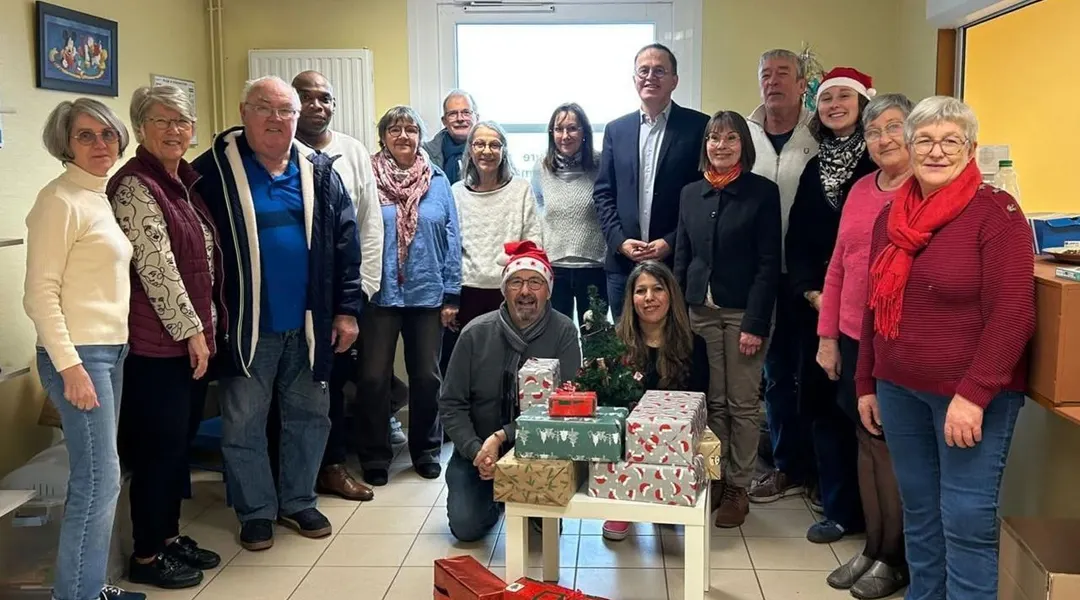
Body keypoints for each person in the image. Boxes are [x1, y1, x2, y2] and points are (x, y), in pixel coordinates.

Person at [856, 96, 1035, 600]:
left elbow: (1013, 313)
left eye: (950, 141)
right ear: (910, 147)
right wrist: (866, 381)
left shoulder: (996, 215)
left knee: (966, 521)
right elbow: (875, 306)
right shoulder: (890, 218)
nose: (936, 152)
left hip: (970, 399)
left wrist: (974, 394)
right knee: (919, 514)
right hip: (899, 389)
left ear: (971, 148)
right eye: (926, 140)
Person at [191, 75, 363, 552]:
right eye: (264, 108)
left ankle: (298, 500)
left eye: (285, 110)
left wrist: (347, 311)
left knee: (311, 416)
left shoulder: (319, 170)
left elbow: (346, 247)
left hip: (310, 325)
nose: (276, 118)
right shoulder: (211, 172)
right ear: (244, 113)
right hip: (247, 327)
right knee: (244, 422)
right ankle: (256, 512)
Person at [24, 98, 144, 600]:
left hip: (109, 351)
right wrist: (71, 366)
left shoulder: (95, 196)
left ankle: (89, 586)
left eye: (107, 134)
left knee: (98, 481)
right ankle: (76, 594)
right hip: (81, 356)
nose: (100, 144)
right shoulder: (59, 201)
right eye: (85, 136)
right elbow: (39, 294)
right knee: (98, 483)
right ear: (64, 143)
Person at [108, 85, 222, 589]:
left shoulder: (180, 182)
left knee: (177, 446)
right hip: (158, 347)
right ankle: (147, 555)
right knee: (158, 449)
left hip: (188, 342)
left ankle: (171, 536)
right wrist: (193, 332)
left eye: (182, 121)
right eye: (162, 121)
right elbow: (157, 269)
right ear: (139, 128)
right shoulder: (135, 186)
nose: (175, 130)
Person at [817, 93, 914, 599]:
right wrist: (828, 336)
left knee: (890, 446)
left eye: (894, 128)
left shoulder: (923, 192)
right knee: (863, 438)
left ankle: (895, 558)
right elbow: (839, 264)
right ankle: (873, 546)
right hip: (854, 336)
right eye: (874, 132)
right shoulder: (859, 190)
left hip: (896, 341)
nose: (883, 139)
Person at [674, 110, 781, 528]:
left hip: (742, 315)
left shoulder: (761, 193)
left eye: (730, 139)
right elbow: (683, 255)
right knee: (711, 401)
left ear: (743, 146)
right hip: (699, 311)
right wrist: (681, 311)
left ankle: (738, 485)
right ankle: (715, 477)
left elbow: (768, 264)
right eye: (714, 139)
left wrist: (756, 323)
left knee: (741, 403)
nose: (721, 146)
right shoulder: (690, 194)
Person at [785, 67, 878, 544]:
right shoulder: (814, 166)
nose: (835, 104)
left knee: (863, 413)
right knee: (823, 409)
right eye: (827, 98)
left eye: (845, 96)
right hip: (817, 309)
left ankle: (877, 519)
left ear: (865, 104)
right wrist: (812, 290)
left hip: (870, 315)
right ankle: (839, 508)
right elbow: (797, 239)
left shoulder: (880, 167)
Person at [439, 241, 580, 542]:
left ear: (549, 290)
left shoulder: (564, 332)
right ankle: (498, 499)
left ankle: (520, 497)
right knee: (466, 528)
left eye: (535, 283)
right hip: (478, 450)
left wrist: (503, 435)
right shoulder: (475, 333)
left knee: (544, 539)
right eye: (516, 282)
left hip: (542, 452)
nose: (525, 291)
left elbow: (566, 406)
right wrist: (476, 450)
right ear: (504, 290)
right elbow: (451, 404)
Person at [291, 69, 385, 501]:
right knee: (287, 385)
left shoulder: (353, 151)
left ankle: (332, 466)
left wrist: (363, 288)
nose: (317, 105)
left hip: (341, 294)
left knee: (335, 382)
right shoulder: (275, 150)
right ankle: (292, 473)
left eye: (325, 98)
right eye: (306, 97)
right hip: (289, 294)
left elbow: (368, 223)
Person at [356, 105, 461, 486]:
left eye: (411, 129)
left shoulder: (437, 180)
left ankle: (426, 450)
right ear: (383, 135)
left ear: (420, 136)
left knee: (427, 377)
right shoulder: (367, 176)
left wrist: (452, 294)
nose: (403, 136)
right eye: (395, 129)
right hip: (379, 293)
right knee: (372, 377)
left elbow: (452, 238)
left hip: (427, 290)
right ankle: (374, 455)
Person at [746, 48, 820, 507]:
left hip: (806, 277)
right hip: (759, 276)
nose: (773, 82)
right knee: (772, 376)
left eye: (783, 74)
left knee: (809, 372)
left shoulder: (819, 134)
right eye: (765, 74)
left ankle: (811, 467)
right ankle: (782, 465)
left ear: (801, 83)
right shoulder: (744, 133)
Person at [593, 43, 710, 320]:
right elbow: (603, 193)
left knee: (673, 350)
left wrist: (671, 241)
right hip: (623, 265)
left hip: (673, 262)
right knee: (625, 351)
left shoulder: (698, 127)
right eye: (643, 71)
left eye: (660, 71)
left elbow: (703, 197)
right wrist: (620, 241)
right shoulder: (616, 130)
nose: (650, 77)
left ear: (674, 81)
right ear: (634, 79)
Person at [602, 260, 709, 541]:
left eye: (657, 289)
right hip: (626, 442)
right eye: (641, 291)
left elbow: (700, 403)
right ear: (631, 298)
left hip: (674, 443)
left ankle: (668, 492)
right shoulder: (615, 343)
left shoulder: (694, 345)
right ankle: (622, 501)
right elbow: (607, 404)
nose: (649, 298)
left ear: (671, 295)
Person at [452, 121, 542, 328]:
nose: (487, 151)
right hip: (467, 290)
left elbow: (533, 241)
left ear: (504, 151)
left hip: (511, 288)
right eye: (479, 144)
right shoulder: (456, 192)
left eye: (494, 145)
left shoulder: (521, 189)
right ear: (470, 151)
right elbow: (450, 248)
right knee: (470, 357)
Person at [531, 102, 606, 324]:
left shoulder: (601, 164)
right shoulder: (541, 167)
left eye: (572, 128)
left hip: (595, 268)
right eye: (558, 129)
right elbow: (540, 212)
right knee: (557, 337)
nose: (565, 135)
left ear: (584, 132)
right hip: (556, 269)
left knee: (595, 339)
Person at [423, 89, 478, 184]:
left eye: (466, 112)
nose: (460, 118)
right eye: (453, 114)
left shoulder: (491, 151)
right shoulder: (425, 154)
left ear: (477, 118)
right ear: (444, 121)